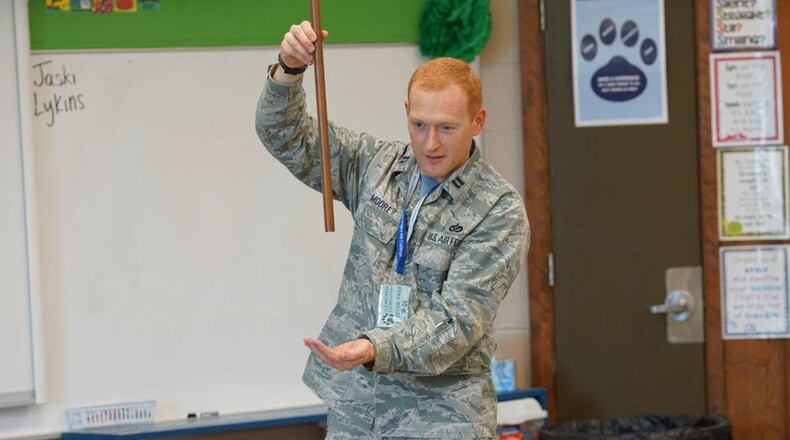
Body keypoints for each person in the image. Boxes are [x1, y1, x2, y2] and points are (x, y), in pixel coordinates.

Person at [256, 20, 529, 440]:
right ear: (406, 112)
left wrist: (374, 346)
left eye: (447, 128)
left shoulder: (499, 210)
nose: (430, 144)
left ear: (478, 121)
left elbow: (457, 320)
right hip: (358, 409)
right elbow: (283, 134)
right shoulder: (376, 164)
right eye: (419, 125)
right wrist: (289, 69)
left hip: (441, 416)